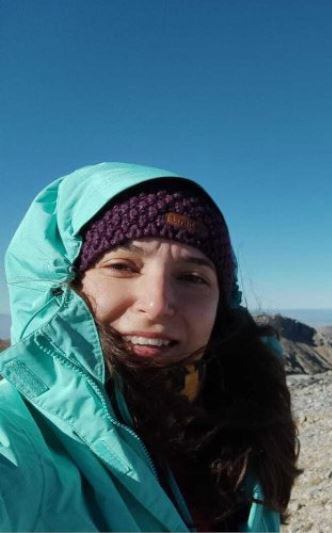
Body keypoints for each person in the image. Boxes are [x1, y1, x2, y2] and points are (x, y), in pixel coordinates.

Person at [0, 162, 300, 531]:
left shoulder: (247, 408)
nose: (158, 304)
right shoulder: (20, 434)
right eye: (123, 266)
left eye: (192, 277)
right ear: (66, 284)